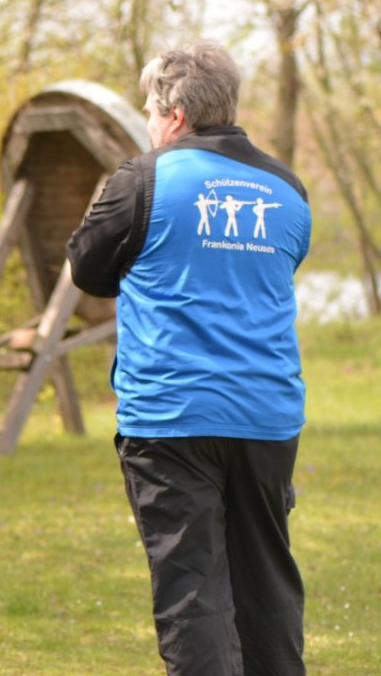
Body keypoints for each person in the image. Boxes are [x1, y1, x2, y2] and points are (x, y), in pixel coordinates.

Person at [66, 42, 311, 676]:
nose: (150, 121)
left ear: (174, 114)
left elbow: (86, 269)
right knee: (267, 585)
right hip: (266, 418)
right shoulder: (288, 189)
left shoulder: (142, 179)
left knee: (192, 593)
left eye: (151, 108)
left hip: (172, 420)